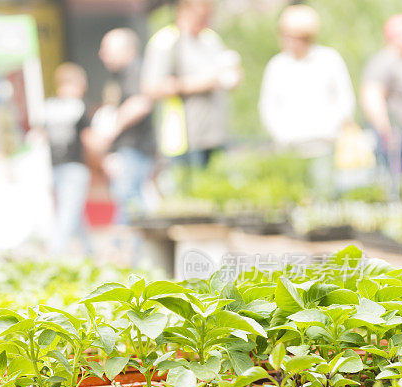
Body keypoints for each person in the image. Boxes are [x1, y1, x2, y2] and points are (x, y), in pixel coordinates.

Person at [259, 5, 355, 194]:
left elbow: (345, 100)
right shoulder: (277, 65)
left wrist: (331, 128)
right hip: (290, 148)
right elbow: (268, 106)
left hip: (323, 146)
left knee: (323, 198)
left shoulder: (329, 59)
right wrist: (282, 134)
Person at [142, 0, 241, 169]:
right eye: (202, 14)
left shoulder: (210, 39)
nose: (207, 18)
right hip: (182, 140)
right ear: (185, 10)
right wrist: (195, 84)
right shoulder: (167, 41)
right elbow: (150, 88)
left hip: (215, 136)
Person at [87, 28, 155, 226]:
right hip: (127, 150)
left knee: (130, 200)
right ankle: (127, 248)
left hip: (135, 148)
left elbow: (141, 103)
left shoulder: (135, 70)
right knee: (127, 199)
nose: (102, 55)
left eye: (107, 49)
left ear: (127, 50)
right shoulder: (120, 76)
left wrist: (109, 132)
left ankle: (132, 250)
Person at [44, 63, 93, 255]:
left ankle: (90, 253)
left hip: (55, 167)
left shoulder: (49, 107)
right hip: (75, 167)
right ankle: (55, 255)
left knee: (74, 212)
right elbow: (88, 139)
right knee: (67, 213)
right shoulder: (79, 107)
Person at [362, 13, 402, 198]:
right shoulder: (384, 61)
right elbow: (372, 95)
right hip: (396, 134)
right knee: (394, 187)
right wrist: (385, 128)